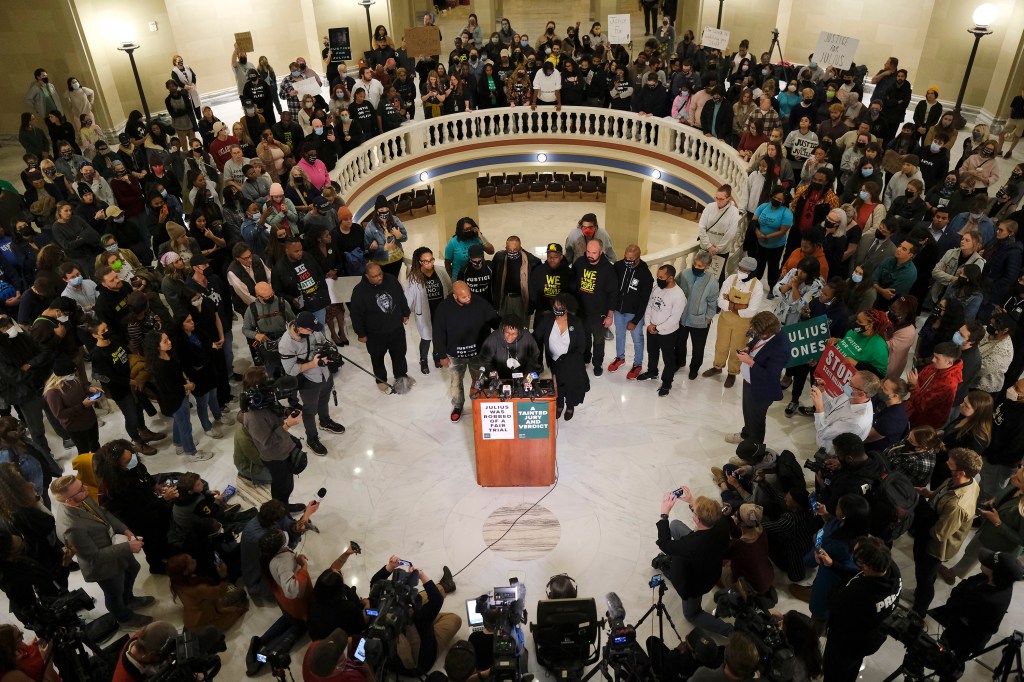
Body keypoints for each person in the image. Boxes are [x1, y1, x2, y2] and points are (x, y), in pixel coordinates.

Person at [50, 474, 154, 627]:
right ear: (68, 500)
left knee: (133, 568)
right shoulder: (71, 527)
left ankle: (129, 599)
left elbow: (103, 513)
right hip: (103, 566)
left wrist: (124, 530)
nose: (85, 488)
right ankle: (124, 617)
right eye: (80, 489)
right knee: (114, 593)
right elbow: (94, 557)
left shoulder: (81, 498)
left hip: (114, 547)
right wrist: (128, 547)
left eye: (82, 484)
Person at [911, 447, 982, 616]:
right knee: (926, 576)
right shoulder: (964, 481)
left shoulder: (957, 505)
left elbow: (939, 533)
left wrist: (919, 522)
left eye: (950, 464)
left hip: (934, 547)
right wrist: (929, 494)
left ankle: (918, 610)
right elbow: (942, 496)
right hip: (933, 531)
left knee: (925, 579)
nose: (946, 465)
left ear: (962, 472)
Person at [822, 537, 902, 682]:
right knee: (851, 667)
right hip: (870, 638)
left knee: (834, 671)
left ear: (865, 566)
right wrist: (834, 565)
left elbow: (833, 600)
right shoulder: (891, 570)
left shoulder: (860, 594)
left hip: (847, 643)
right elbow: (856, 575)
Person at [656, 487, 733, 637]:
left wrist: (664, 515)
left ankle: (730, 631)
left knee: (692, 614)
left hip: (697, 581)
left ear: (697, 520)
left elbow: (664, 544)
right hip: (712, 563)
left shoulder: (691, 545)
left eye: (694, 511)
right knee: (676, 525)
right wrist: (692, 501)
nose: (693, 512)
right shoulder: (722, 523)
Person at [368, 558, 461, 676]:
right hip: (423, 657)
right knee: (455, 619)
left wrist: (390, 566)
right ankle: (445, 587)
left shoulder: (373, 613)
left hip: (402, 645)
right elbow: (436, 600)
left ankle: (445, 586)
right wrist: (421, 575)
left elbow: (375, 583)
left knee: (419, 598)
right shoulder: (415, 618)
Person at [278, 311, 344, 455]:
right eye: (310, 330)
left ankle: (325, 421)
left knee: (324, 399)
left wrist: (330, 351)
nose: (313, 332)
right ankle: (312, 438)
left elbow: (323, 341)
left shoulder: (312, 331)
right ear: (299, 328)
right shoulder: (286, 344)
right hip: (309, 380)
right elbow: (291, 370)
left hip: (325, 374)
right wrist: (314, 364)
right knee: (309, 411)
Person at [725, 312, 790, 444]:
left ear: (770, 332)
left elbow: (770, 376)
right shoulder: (764, 332)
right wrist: (749, 347)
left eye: (759, 333)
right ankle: (746, 434)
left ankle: (754, 451)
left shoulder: (781, 348)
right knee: (748, 412)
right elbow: (757, 340)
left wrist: (750, 362)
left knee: (757, 420)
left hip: (762, 388)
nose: (756, 335)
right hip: (750, 380)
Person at [703, 257, 763, 389]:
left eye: (745, 271)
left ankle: (732, 373)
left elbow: (751, 311)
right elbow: (720, 301)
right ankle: (717, 366)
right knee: (721, 344)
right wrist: (740, 306)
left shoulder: (757, 286)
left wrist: (730, 305)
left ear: (752, 272)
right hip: (725, 320)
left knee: (738, 347)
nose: (741, 272)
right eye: (740, 269)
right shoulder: (731, 279)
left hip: (743, 324)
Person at [350, 263, 412, 392]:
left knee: (400, 354)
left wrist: (405, 313)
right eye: (374, 276)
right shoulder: (359, 291)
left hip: (396, 329)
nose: (379, 278)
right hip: (375, 334)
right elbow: (356, 315)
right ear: (367, 276)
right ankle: (381, 379)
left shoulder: (391, 279)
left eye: (380, 274)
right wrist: (361, 333)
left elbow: (401, 297)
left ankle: (401, 376)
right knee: (377, 357)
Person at [534, 294, 590, 420]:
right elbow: (536, 335)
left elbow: (582, 345)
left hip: (571, 362)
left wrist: (570, 358)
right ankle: (559, 406)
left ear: (567, 307)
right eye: (555, 306)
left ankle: (570, 406)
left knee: (570, 385)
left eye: (560, 306)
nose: (557, 309)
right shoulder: (548, 320)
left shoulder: (576, 322)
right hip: (554, 361)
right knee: (557, 384)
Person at [635, 264, 686, 397]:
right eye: (657, 276)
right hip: (652, 328)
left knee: (668, 359)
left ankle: (667, 383)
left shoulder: (679, 296)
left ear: (670, 278)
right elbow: (649, 306)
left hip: (667, 333)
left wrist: (657, 328)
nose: (658, 279)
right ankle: (652, 371)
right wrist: (648, 324)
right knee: (652, 352)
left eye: (661, 277)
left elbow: (674, 319)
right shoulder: (657, 287)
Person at [573, 238, 618, 376]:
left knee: (598, 341)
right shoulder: (580, 263)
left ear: (601, 252)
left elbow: (613, 294)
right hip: (581, 312)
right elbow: (573, 285)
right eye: (588, 251)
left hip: (599, 314)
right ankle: (585, 358)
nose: (590, 255)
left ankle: (597, 364)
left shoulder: (608, 269)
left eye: (594, 252)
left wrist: (610, 316)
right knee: (583, 339)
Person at [404, 247, 452, 376]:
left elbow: (449, 288)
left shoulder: (440, 272)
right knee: (426, 338)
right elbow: (407, 297)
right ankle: (423, 360)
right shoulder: (414, 277)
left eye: (431, 260)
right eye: (425, 261)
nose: (429, 263)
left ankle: (437, 355)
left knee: (439, 336)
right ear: (419, 262)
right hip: (425, 312)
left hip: (440, 311)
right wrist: (405, 313)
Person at [675, 251, 720, 380]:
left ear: (707, 267)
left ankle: (694, 369)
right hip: (682, 318)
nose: (696, 267)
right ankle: (679, 362)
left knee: (698, 348)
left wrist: (708, 318)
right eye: (695, 264)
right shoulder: (684, 274)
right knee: (679, 343)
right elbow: (675, 288)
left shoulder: (712, 282)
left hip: (700, 321)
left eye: (700, 266)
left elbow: (712, 303)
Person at [906, 341, 964, 429]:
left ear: (949, 363)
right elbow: (919, 381)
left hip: (925, 421)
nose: (933, 360)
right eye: (934, 356)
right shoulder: (936, 366)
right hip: (913, 409)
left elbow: (922, 406)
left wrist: (914, 385)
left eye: (937, 358)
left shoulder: (948, 385)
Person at [697, 185, 741, 286]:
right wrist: (708, 246)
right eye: (716, 198)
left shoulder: (734, 212)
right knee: (700, 271)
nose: (718, 201)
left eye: (721, 199)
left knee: (717, 277)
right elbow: (702, 226)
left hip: (720, 251)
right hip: (705, 247)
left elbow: (731, 233)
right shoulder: (709, 207)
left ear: (729, 199)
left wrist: (717, 249)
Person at [111, 621, 180, 681]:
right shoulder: (124, 679)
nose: (168, 659)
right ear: (151, 655)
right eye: (165, 657)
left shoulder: (144, 636)